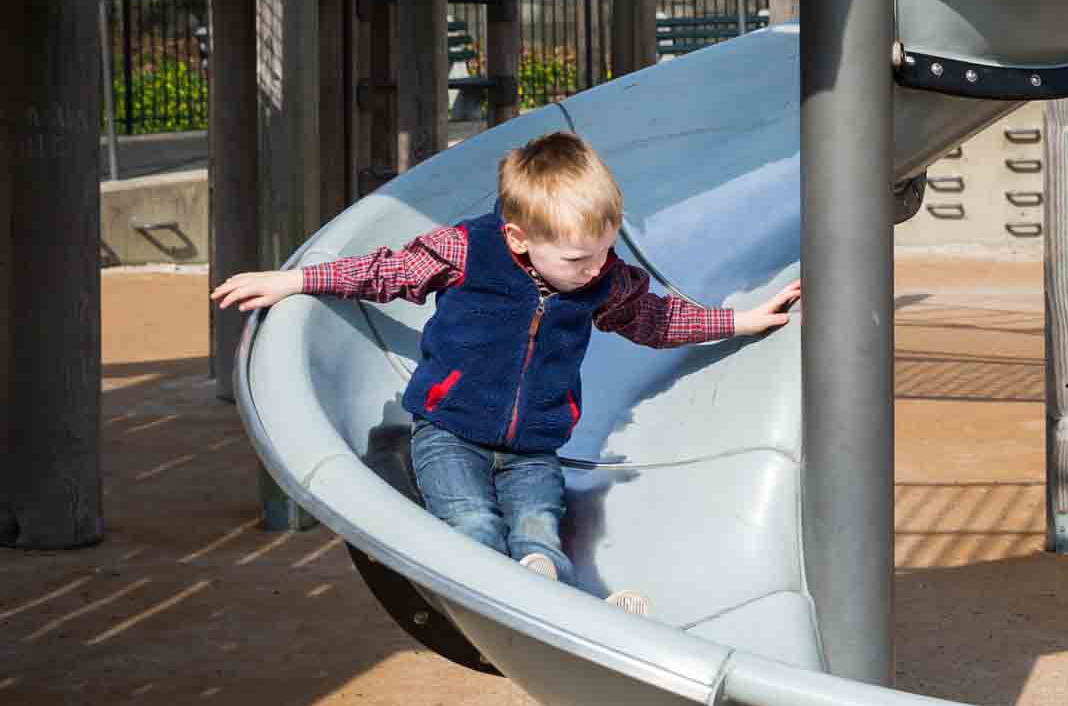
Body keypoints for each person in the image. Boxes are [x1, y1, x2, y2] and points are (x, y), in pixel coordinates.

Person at [213, 130, 800, 615]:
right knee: (470, 523)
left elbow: (654, 318)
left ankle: (572, 608)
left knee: (540, 530)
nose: (595, 268)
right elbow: (383, 272)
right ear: (520, 239)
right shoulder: (471, 250)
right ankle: (530, 609)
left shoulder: (599, 278)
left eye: (603, 250)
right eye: (578, 258)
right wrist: (291, 281)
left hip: (533, 446)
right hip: (450, 433)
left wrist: (739, 320)